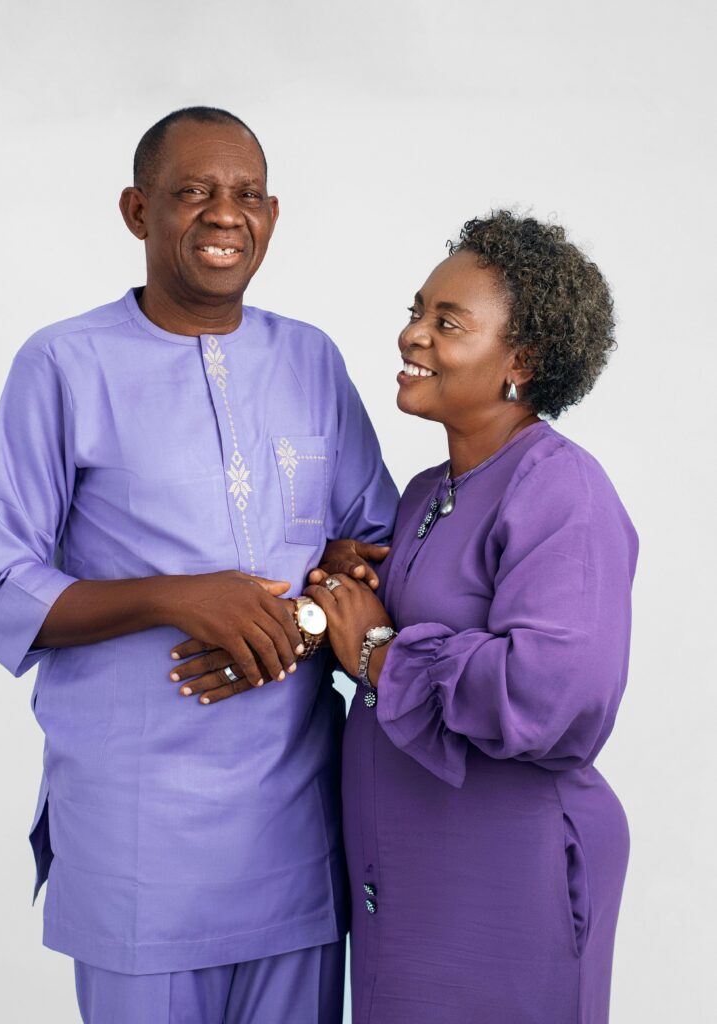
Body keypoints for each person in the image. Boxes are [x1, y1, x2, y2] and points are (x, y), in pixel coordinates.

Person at [0, 106, 398, 1024]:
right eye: (193, 192)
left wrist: (303, 618)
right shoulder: (63, 365)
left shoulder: (310, 360)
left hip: (291, 824)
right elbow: (1, 585)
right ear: (137, 210)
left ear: (271, 216)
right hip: (137, 831)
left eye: (245, 195)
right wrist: (176, 598)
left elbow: (377, 554)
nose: (223, 215)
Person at [304, 211, 638, 1023]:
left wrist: (379, 651)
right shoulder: (425, 491)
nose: (411, 336)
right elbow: (376, 610)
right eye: (416, 310)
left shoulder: (561, 492)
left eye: (446, 323)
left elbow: (551, 693)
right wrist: (339, 580)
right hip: (407, 882)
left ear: (519, 362)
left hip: (504, 879)